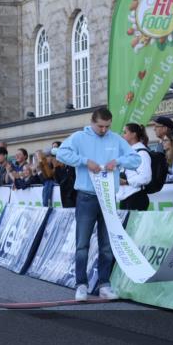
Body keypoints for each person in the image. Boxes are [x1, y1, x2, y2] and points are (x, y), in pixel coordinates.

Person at [56, 107, 140, 302]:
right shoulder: (79, 137)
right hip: (86, 196)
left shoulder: (116, 139)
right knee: (82, 243)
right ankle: (81, 284)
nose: (103, 130)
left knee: (107, 244)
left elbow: (135, 159)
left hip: (109, 197)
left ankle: (104, 284)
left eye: (107, 127)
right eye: (100, 126)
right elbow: (61, 154)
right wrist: (84, 161)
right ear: (92, 122)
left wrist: (117, 161)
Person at [118, 123, 152, 211]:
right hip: (126, 197)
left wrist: (126, 182)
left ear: (134, 134)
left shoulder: (142, 153)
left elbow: (146, 177)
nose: (123, 135)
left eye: (125, 132)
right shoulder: (128, 152)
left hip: (136, 197)